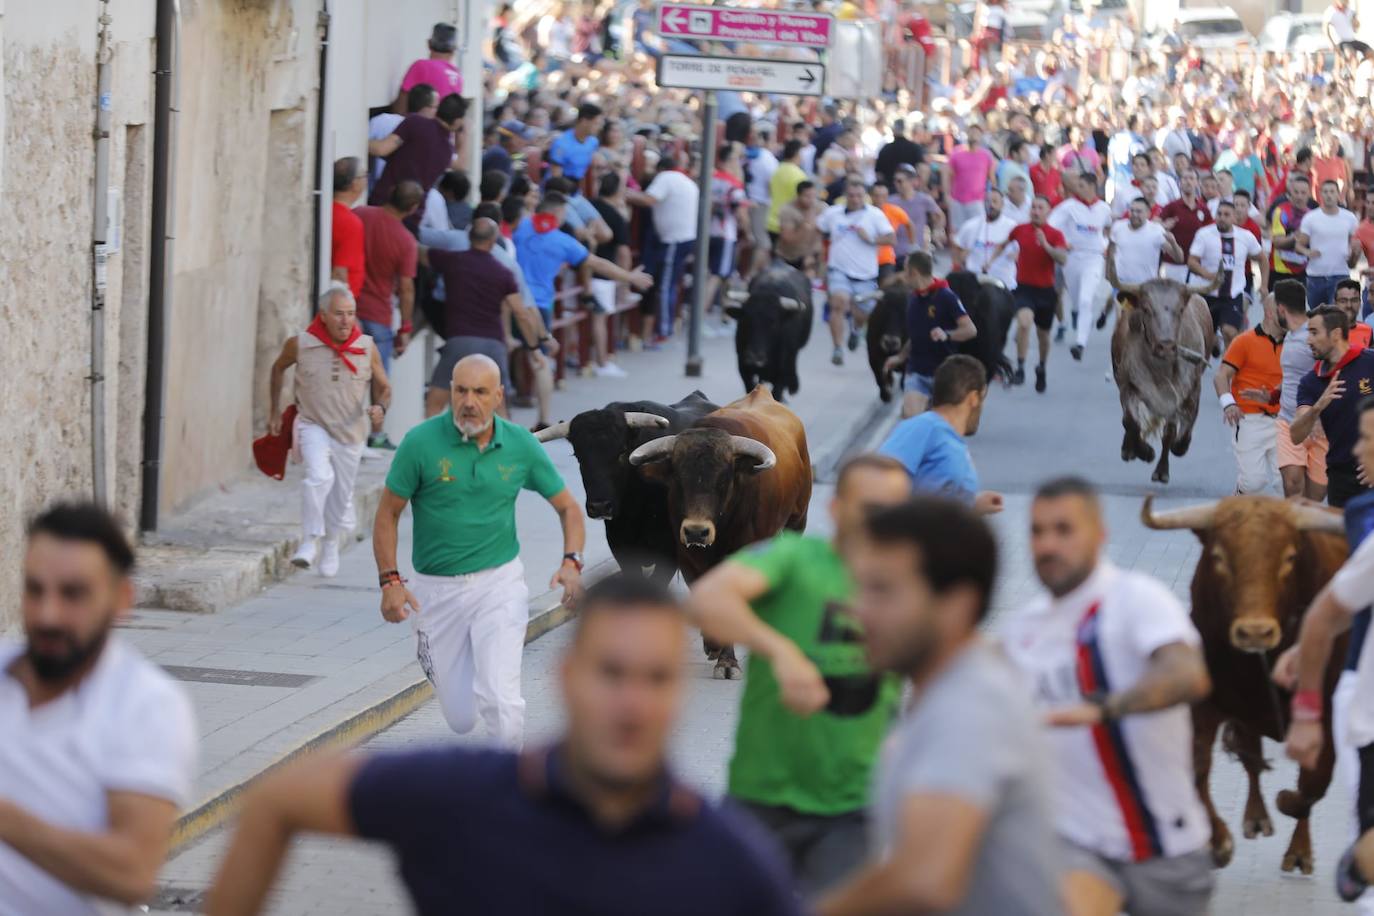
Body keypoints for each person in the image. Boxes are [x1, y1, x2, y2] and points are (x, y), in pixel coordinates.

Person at [205, 576, 803, 916]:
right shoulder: (462, 797)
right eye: (611, 674)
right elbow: (276, 801)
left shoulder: (730, 866)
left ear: (681, 695)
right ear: (566, 678)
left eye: (656, 679)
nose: (632, 704)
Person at [816, 498, 1062, 916]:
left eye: (881, 590)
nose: (856, 611)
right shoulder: (954, 691)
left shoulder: (971, 708)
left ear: (956, 604)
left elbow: (922, 880)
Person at [684, 455, 912, 896]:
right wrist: (780, 650)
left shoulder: (914, 585)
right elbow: (706, 601)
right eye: (869, 509)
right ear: (835, 508)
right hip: (762, 799)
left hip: (851, 808)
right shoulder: (790, 557)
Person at [999, 477, 1215, 916]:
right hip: (1076, 847)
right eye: (1037, 532)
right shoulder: (1020, 632)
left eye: (1064, 530)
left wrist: (1103, 709)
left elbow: (1187, 675)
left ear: (1100, 534)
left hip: (1165, 849)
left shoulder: (1137, 600)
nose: (1047, 545)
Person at [372, 354, 585, 746]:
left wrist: (572, 561)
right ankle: (456, 664)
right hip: (435, 592)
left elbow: (569, 508)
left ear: (499, 395)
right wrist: (390, 581)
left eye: (480, 392)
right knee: (461, 717)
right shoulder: (420, 443)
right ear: (451, 391)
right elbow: (387, 514)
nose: (469, 401)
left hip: (498, 585)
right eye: (461, 390)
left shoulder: (519, 445)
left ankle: (507, 795)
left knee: (502, 701)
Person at [0, 503, 197, 912]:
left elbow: (132, 873)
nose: (48, 614)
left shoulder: (145, 706)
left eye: (73, 594)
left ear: (121, 598)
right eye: (35, 590)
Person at [1279, 400, 1374, 906]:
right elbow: (1326, 616)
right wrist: (1308, 712)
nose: (1358, 449)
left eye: (1367, 438)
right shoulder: (1367, 519)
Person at [268, 285, 390, 574]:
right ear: (323, 315)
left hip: (350, 432)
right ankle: (310, 541)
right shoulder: (301, 344)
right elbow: (277, 368)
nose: (346, 321)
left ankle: (331, 543)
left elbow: (384, 387)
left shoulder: (366, 347)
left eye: (350, 314)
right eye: (339, 314)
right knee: (317, 477)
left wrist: (380, 408)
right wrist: (274, 410)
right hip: (312, 424)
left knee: (340, 495)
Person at [514, 192, 652, 427]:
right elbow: (597, 263)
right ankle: (543, 418)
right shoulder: (562, 241)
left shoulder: (521, 226)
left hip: (510, 300)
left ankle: (520, 395)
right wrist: (629, 276)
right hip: (539, 306)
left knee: (511, 349)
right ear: (558, 213)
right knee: (540, 360)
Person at [422, 218, 543, 417]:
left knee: (435, 402)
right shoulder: (503, 272)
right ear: (494, 240)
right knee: (499, 406)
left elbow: (420, 253)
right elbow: (521, 313)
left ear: (469, 237)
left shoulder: (452, 261)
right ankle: (506, 447)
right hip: (493, 344)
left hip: (459, 341)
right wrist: (534, 347)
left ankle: (429, 447)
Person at [878, 354, 1004, 514]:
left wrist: (973, 505)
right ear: (973, 398)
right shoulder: (924, 426)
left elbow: (940, 505)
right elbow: (878, 478)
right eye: (982, 397)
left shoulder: (950, 439)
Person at [356, 180, 423, 449]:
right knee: (379, 379)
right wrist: (405, 327)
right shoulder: (406, 241)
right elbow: (406, 288)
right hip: (378, 314)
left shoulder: (360, 214)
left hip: (349, 307)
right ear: (413, 208)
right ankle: (376, 434)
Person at [1292, 306, 1374, 506]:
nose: (1309, 340)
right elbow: (1296, 435)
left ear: (1336, 334)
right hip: (1340, 478)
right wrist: (1318, 406)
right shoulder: (1310, 382)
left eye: (1314, 333)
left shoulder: (1369, 362)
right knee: (1344, 538)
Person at [887, 251, 978, 417]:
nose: (902, 277)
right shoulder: (913, 299)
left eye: (905, 271)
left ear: (913, 273)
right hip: (917, 372)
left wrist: (947, 335)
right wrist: (900, 357)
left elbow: (970, 330)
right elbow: (917, 335)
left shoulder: (946, 297)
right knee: (910, 417)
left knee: (937, 426)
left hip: (943, 375)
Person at [817, 175, 896, 363]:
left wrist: (870, 239)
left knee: (862, 313)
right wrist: (817, 258)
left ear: (865, 196)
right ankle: (837, 348)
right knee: (839, 302)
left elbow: (891, 239)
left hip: (865, 273)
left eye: (859, 195)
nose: (855, 199)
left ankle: (857, 330)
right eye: (851, 195)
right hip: (838, 269)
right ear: (845, 195)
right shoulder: (833, 213)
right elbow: (818, 229)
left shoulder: (875, 215)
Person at [1213, 291, 1285, 494]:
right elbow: (1221, 376)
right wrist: (1229, 404)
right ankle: (1239, 502)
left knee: (1288, 482)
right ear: (1271, 313)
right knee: (1253, 483)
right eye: (1284, 311)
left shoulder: (1295, 343)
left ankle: (1287, 524)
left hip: (1284, 420)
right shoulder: (1244, 341)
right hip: (1250, 419)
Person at [626, 158, 699, 346]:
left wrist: (623, 193)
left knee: (665, 285)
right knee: (670, 284)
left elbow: (648, 199)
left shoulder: (666, 178)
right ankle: (665, 326)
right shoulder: (686, 181)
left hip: (673, 240)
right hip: (683, 238)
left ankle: (663, 330)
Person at [1001, 194, 1068, 391]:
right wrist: (995, 258)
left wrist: (1046, 245)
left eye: (1040, 208)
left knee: (1043, 336)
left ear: (1048, 212)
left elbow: (1063, 259)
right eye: (1033, 208)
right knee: (1023, 323)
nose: (1036, 211)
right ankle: (1020, 367)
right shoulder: (1020, 229)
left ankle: (1041, 367)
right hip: (1023, 288)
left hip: (1046, 291)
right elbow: (1003, 243)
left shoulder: (1055, 234)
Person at [1274, 279, 1330, 500]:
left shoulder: (1313, 336)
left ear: (1281, 308)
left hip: (1320, 427)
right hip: (1288, 421)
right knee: (1293, 486)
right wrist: (1272, 393)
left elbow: (1328, 374)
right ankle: (1291, 534)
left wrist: (1317, 415)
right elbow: (1295, 377)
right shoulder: (1289, 334)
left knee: (1314, 500)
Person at [1050, 171, 1114, 361]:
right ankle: (1076, 311)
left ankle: (1080, 343)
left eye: (1081, 186)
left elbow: (1109, 229)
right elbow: (1051, 226)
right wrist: (1062, 242)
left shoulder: (1104, 208)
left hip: (1094, 259)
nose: (1076, 189)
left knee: (1087, 299)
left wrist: (1106, 245)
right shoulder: (1068, 207)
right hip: (1072, 259)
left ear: (1092, 187)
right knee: (1078, 299)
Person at [368, 92, 466, 212]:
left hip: (382, 202)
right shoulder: (447, 151)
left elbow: (381, 149)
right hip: (411, 216)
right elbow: (460, 164)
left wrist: (357, 140)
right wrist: (465, 136)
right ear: (457, 122)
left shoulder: (414, 123)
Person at [1189, 199, 1264, 348]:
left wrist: (1264, 285)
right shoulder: (1204, 234)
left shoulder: (1246, 236)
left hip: (1232, 295)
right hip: (1206, 294)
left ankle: (1226, 368)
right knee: (1204, 339)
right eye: (1219, 214)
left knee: (1230, 332)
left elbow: (1262, 259)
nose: (1222, 217)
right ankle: (1212, 343)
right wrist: (1209, 276)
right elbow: (1192, 262)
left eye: (1226, 215)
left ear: (1234, 218)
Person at [1298, 179, 1360, 310]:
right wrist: (1307, 252)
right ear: (1320, 194)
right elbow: (1299, 245)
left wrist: (1353, 252)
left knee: (1337, 318)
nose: (1329, 195)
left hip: (1340, 274)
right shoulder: (1311, 218)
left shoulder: (1349, 218)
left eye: (1332, 191)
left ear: (1338, 194)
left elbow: (1354, 243)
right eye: (1325, 192)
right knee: (1317, 317)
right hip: (1315, 277)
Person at [951, 187, 1018, 290]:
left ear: (1002, 205)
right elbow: (956, 244)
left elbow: (1023, 250)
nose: (991, 205)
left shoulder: (1012, 227)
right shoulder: (970, 225)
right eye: (987, 201)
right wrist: (959, 261)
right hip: (975, 283)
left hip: (1004, 284)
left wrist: (1016, 256)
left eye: (995, 201)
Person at [1158, 168, 1213, 285]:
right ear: (1179, 182)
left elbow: (1211, 234)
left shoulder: (1204, 209)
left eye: (1191, 178)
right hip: (1173, 265)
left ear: (1198, 183)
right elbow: (1153, 226)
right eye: (1185, 178)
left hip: (1196, 265)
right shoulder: (1171, 207)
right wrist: (1163, 226)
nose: (1188, 182)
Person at [396, 22, 463, 110]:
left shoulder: (421, 66)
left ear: (429, 44)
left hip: (425, 123)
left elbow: (400, 107)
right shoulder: (458, 75)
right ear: (454, 50)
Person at [946, 125, 997, 233]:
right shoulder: (956, 153)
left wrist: (993, 197)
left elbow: (992, 178)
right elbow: (948, 174)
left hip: (977, 200)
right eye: (972, 132)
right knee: (958, 232)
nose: (974, 135)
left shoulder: (986, 155)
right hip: (957, 200)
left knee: (978, 231)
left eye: (977, 133)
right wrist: (947, 195)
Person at [330, 156, 367, 299]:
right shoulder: (351, 222)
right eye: (364, 175)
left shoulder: (327, 210)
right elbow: (339, 273)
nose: (366, 180)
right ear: (354, 184)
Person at [1270, 174, 1313, 291]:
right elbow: (1277, 242)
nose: (1299, 196)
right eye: (1296, 192)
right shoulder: (1281, 211)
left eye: (1303, 193)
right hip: (1279, 271)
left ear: (1309, 194)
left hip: (1302, 273)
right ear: (1290, 193)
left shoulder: (1312, 215)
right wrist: (1296, 236)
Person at [891, 164, 943, 256]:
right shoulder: (890, 201)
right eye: (895, 180)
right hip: (895, 251)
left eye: (900, 181)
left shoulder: (924, 199)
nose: (896, 184)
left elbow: (940, 216)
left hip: (918, 250)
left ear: (911, 181)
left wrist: (938, 231)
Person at [766, 139, 809, 246]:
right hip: (787, 225)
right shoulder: (800, 175)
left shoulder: (777, 170)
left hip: (770, 220)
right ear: (797, 154)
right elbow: (804, 200)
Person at [775, 181, 824, 272]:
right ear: (798, 196)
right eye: (807, 196)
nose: (811, 200)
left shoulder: (821, 207)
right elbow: (787, 239)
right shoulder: (787, 210)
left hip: (812, 256)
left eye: (814, 196)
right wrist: (804, 225)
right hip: (790, 257)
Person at [547, 102, 603, 182]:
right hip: (559, 188)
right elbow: (555, 179)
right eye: (596, 123)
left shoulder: (593, 142)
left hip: (577, 190)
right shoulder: (561, 143)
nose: (599, 127)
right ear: (584, 121)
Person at [874, 118, 924, 186]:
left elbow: (879, 174)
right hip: (910, 188)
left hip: (890, 188)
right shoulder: (915, 148)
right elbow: (921, 168)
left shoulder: (886, 149)